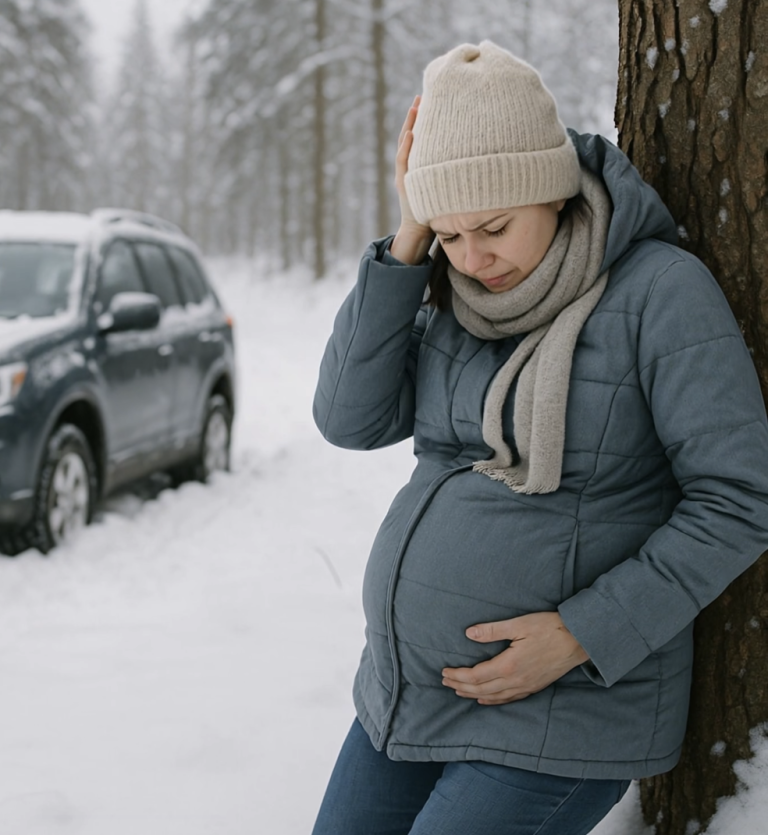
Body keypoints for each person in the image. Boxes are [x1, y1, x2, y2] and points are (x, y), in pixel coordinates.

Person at [311, 40, 768, 835]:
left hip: (560, 716)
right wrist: (409, 241)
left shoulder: (658, 292)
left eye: (491, 225)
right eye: (449, 235)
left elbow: (740, 497)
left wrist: (581, 635)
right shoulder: (452, 292)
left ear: (550, 190)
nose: (473, 257)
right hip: (406, 693)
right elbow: (348, 418)